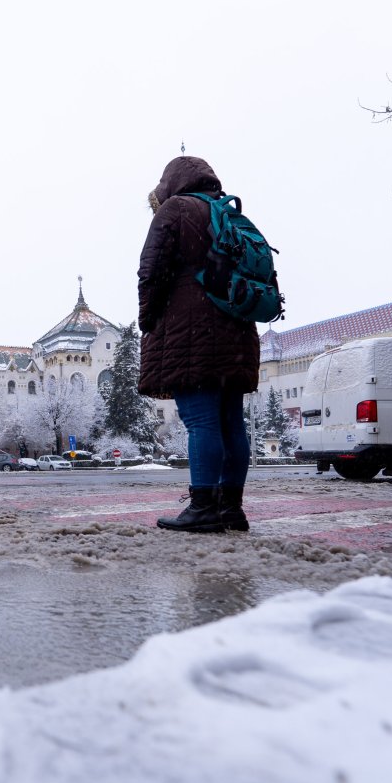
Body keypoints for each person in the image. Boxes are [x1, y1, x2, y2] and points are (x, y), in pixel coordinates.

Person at [137, 155, 261, 533]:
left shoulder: (175, 209)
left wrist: (148, 319)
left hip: (190, 331)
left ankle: (203, 505)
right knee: (231, 423)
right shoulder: (229, 212)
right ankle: (231, 509)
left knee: (201, 421)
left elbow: (152, 269)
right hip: (237, 329)